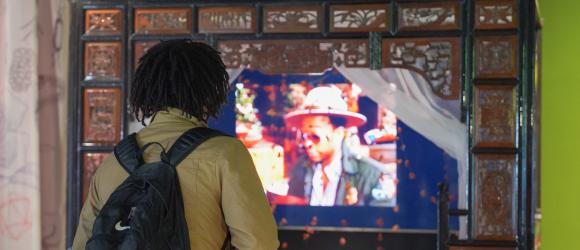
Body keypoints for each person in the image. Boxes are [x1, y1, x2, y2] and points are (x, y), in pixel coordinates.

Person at [73, 40, 279, 250]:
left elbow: (83, 244)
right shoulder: (225, 154)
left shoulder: (112, 164)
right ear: (208, 94)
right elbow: (259, 243)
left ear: (146, 91)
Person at [285, 86, 394, 206]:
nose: (307, 144)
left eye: (315, 137)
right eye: (304, 137)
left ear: (339, 134)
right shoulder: (300, 168)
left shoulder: (372, 175)